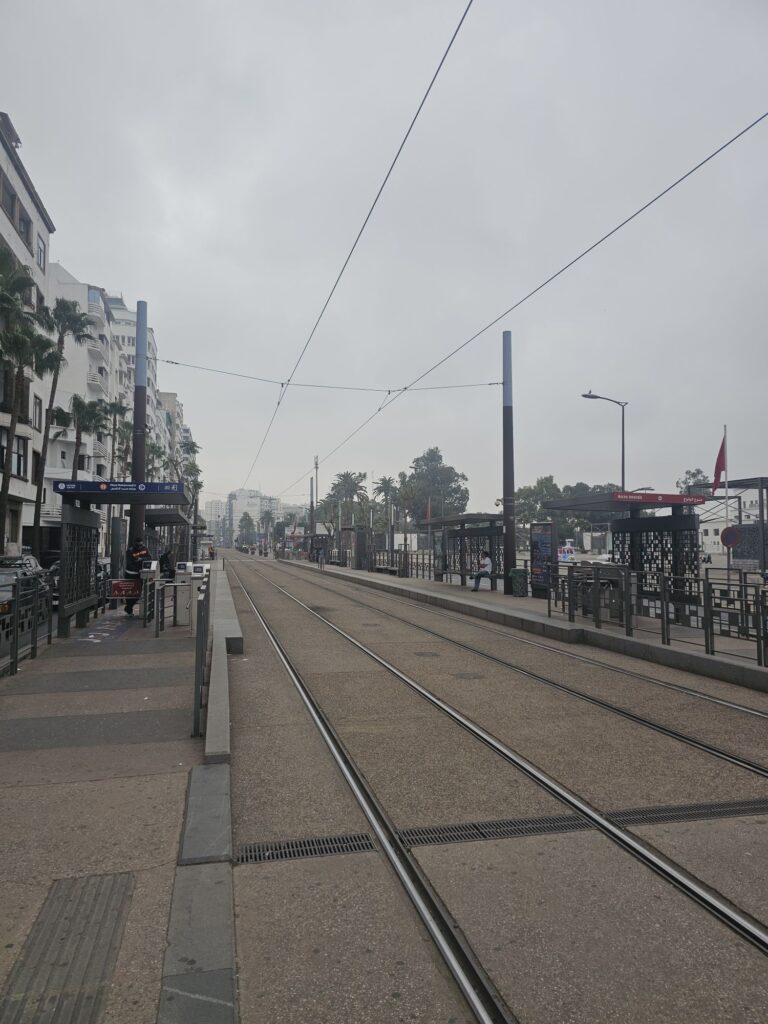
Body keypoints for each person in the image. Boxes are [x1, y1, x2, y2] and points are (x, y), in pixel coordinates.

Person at [124, 536, 149, 615]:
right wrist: (137, 569)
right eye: (137, 545)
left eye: (140, 545)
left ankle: (129, 608)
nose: (139, 547)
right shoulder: (130, 551)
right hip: (130, 574)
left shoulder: (145, 549)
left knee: (137, 593)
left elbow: (149, 558)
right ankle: (129, 608)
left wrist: (141, 559)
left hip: (139, 574)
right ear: (134, 544)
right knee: (130, 593)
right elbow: (129, 564)